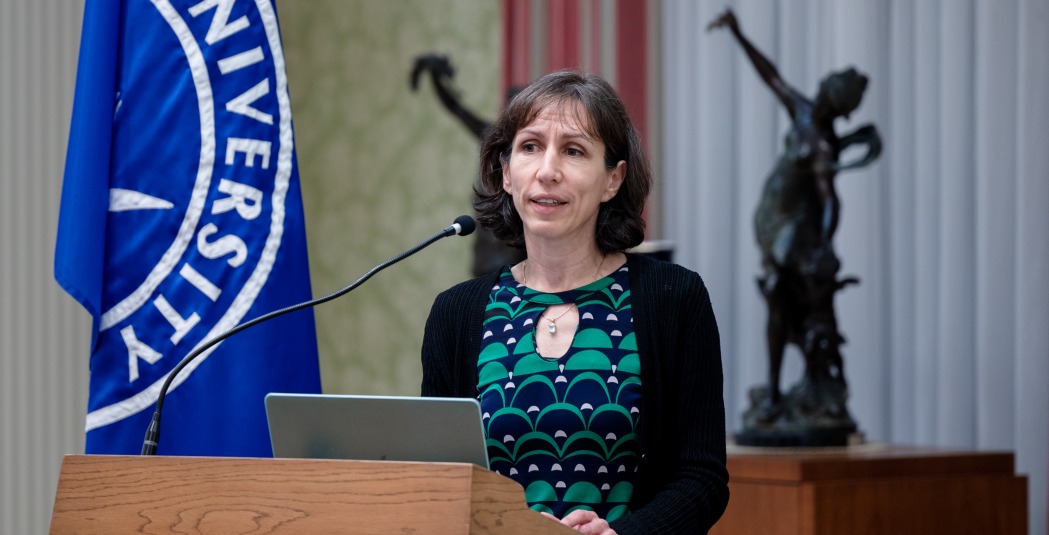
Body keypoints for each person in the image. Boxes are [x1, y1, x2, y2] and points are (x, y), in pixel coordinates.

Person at [421, 70, 729, 534]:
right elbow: (438, 479)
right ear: (505, 173)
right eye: (529, 147)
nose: (548, 170)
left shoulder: (673, 299)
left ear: (613, 179)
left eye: (573, 150)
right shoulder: (456, 314)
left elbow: (702, 478)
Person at [708, 9, 880, 428]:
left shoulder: (822, 143)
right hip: (773, 223)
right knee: (778, 301)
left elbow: (829, 201)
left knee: (779, 300)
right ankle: (776, 390)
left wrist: (822, 243)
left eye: (829, 91)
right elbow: (772, 76)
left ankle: (779, 389)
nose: (819, 93)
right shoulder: (803, 112)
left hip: (794, 233)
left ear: (835, 103)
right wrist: (739, 33)